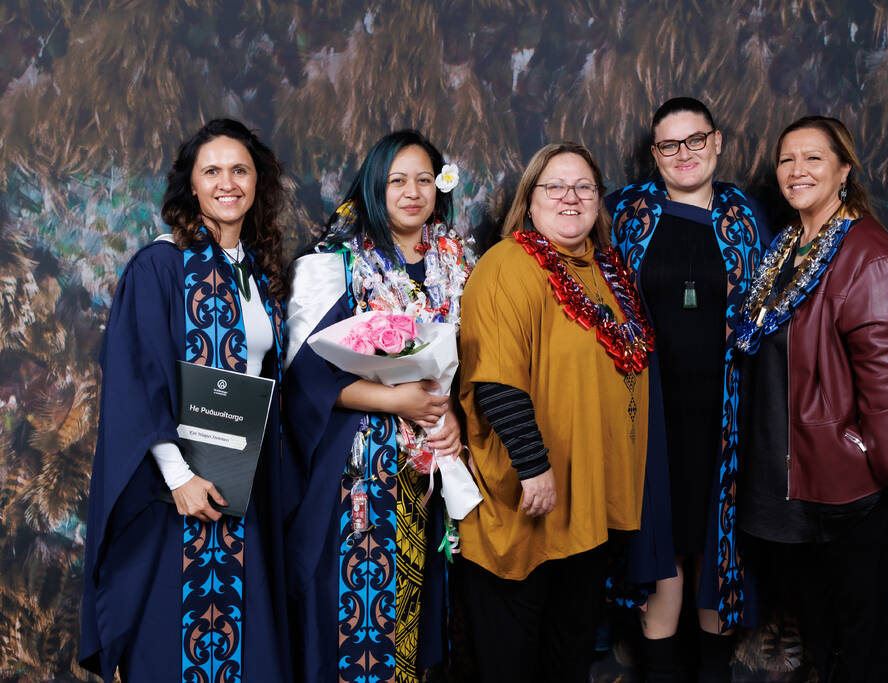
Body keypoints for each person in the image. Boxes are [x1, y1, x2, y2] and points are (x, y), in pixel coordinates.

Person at [734, 115, 888, 683]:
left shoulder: (871, 258)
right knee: (821, 634)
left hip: (855, 487)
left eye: (813, 158)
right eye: (786, 159)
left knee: (859, 639)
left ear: (844, 170)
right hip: (796, 485)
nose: (796, 170)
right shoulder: (787, 250)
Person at [79, 119, 291, 681]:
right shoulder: (161, 265)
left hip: (240, 484)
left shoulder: (257, 276)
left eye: (240, 170)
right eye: (212, 171)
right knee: (176, 643)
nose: (228, 183)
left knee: (245, 644)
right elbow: (136, 377)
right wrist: (179, 477)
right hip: (174, 494)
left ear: (256, 183)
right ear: (191, 186)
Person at [457, 142, 657, 683]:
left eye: (584, 187)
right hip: (528, 505)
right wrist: (533, 465)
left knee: (567, 663)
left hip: (587, 508)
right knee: (513, 667)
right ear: (531, 199)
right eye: (555, 187)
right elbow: (495, 378)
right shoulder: (508, 266)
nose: (570, 197)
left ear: (598, 199)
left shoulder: (605, 271)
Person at [283, 129, 470, 683]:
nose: (412, 192)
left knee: (411, 614)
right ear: (373, 187)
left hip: (425, 469)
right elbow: (306, 378)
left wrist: (449, 413)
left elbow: (468, 366)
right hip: (356, 474)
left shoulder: (457, 263)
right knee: (355, 614)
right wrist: (396, 400)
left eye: (423, 179)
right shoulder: (336, 265)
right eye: (396, 180)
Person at [605, 97, 768, 681]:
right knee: (663, 545)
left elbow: (770, 316)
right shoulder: (625, 213)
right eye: (670, 146)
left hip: (727, 413)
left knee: (716, 545)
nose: (684, 155)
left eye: (694, 140)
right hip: (650, 411)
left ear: (717, 141)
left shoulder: (747, 217)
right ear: (655, 154)